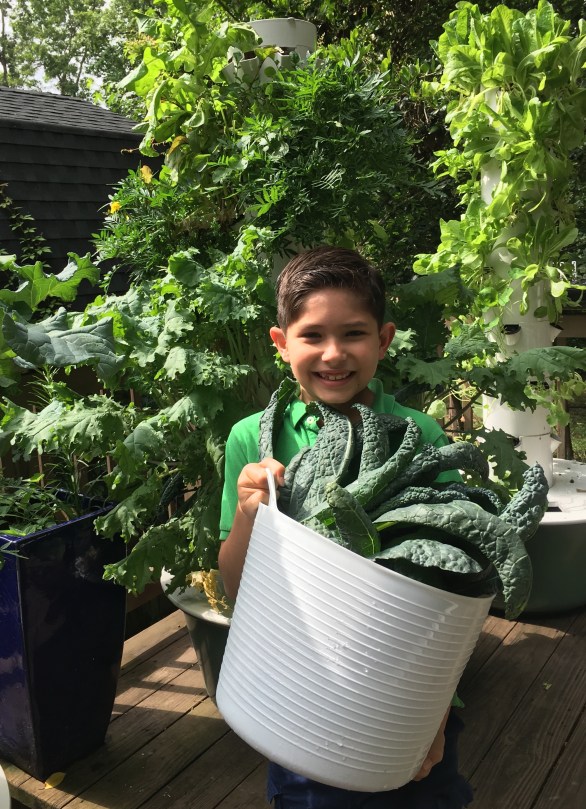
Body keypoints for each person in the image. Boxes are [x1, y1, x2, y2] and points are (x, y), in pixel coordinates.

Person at [218, 246, 473, 809]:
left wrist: (431, 709)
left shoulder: (420, 436)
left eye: (354, 334)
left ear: (383, 341)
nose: (334, 354)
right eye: (311, 335)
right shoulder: (251, 442)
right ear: (281, 343)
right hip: (301, 696)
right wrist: (247, 514)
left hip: (406, 693)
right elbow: (236, 585)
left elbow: (450, 588)